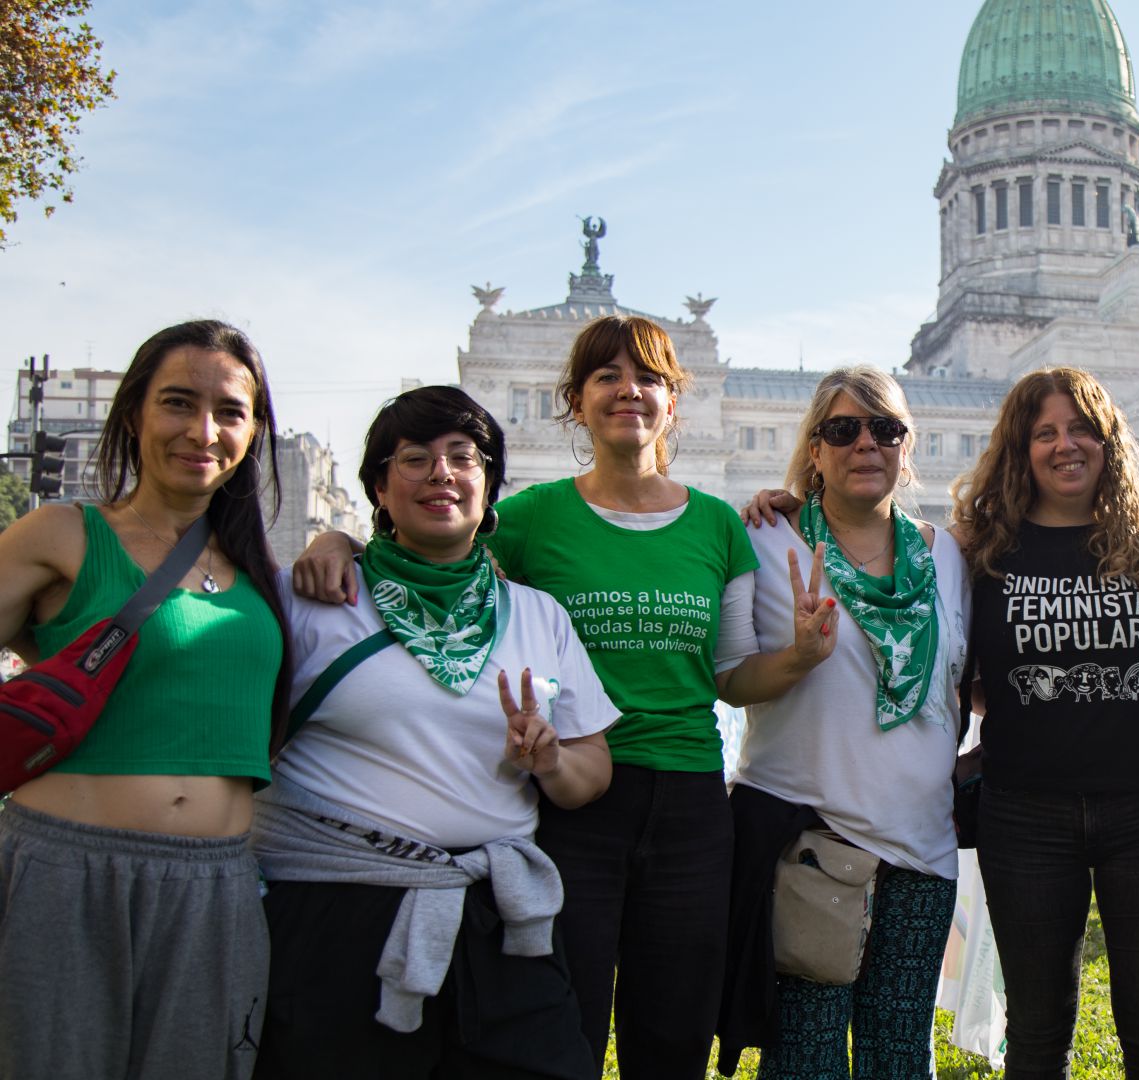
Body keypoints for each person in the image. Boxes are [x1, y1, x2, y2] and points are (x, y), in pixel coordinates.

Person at [294, 315, 827, 1076]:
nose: (628, 392)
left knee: (674, 1028)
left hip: (688, 800)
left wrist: (802, 657)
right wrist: (335, 542)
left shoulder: (717, 525)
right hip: (572, 796)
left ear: (675, 401)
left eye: (647, 378)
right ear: (574, 402)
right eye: (607, 377)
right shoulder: (531, 517)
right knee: (562, 1019)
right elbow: (430, 546)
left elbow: (730, 676)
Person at [253, 386, 618, 1079]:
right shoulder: (309, 600)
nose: (441, 474)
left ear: (489, 489)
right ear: (379, 491)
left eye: (462, 457)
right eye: (415, 459)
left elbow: (590, 772)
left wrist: (549, 761)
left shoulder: (538, 616)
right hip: (336, 916)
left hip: (497, 918)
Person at [0, 319, 291, 1079]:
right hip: (66, 875)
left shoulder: (263, 573)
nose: (203, 430)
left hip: (218, 888)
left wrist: (338, 546)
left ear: (254, 430)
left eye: (230, 411)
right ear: (133, 414)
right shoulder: (62, 533)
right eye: (177, 403)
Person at [950, 368, 1139, 1079]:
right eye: (1046, 432)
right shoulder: (981, 554)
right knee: (1036, 1025)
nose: (1066, 445)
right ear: (1020, 450)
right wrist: (787, 505)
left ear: (1109, 442)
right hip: (1025, 812)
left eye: (1081, 428)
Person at [729, 366, 969, 1079]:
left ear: (906, 445)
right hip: (813, 844)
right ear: (815, 449)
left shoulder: (945, 553)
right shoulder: (765, 541)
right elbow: (728, 679)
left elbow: (963, 685)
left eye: (884, 429)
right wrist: (799, 658)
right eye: (843, 429)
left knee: (900, 1062)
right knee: (805, 1060)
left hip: (923, 850)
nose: (865, 443)